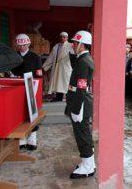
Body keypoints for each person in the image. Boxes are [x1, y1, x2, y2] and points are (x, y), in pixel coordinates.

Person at [64, 30, 95, 179]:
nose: (73, 45)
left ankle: (88, 166)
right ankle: (88, 162)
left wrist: (76, 109)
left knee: (82, 135)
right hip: (80, 101)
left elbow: (81, 87)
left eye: (75, 43)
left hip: (80, 103)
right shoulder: (83, 58)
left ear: (81, 44)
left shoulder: (84, 61)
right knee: (84, 133)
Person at [11, 33, 43, 151]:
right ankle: (22, 139)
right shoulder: (14, 57)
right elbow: (12, 72)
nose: (22, 47)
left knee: (32, 114)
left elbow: (39, 75)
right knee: (19, 114)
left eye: (24, 45)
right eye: (19, 45)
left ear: (28, 44)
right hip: (18, 89)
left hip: (32, 88)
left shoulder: (35, 57)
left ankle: (32, 140)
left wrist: (37, 91)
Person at [42, 32, 74, 102]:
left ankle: (69, 97)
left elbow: (74, 55)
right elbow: (51, 57)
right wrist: (45, 66)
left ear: (67, 38)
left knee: (66, 82)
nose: (63, 38)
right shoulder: (56, 46)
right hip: (57, 67)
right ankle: (58, 97)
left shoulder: (70, 46)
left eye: (64, 37)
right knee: (58, 83)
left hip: (65, 67)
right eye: (61, 37)